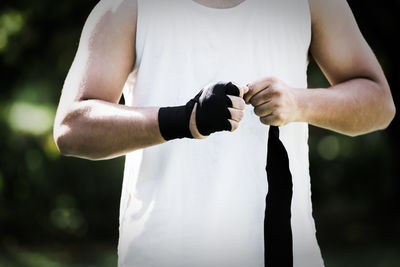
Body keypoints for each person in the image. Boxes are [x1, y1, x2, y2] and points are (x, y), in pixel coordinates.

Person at [53, 0, 395, 266]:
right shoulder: (130, 6)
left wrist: (298, 103)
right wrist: (184, 120)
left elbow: (379, 104)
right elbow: (72, 127)